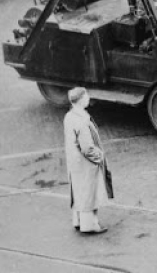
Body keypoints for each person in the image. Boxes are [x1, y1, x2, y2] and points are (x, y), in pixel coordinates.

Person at [64, 87, 111, 234]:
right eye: (86, 96)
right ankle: (89, 225)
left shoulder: (70, 116)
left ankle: (78, 220)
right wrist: (99, 158)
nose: (88, 98)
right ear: (81, 99)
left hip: (75, 161)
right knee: (89, 194)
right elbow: (87, 148)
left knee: (79, 191)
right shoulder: (82, 121)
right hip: (86, 164)